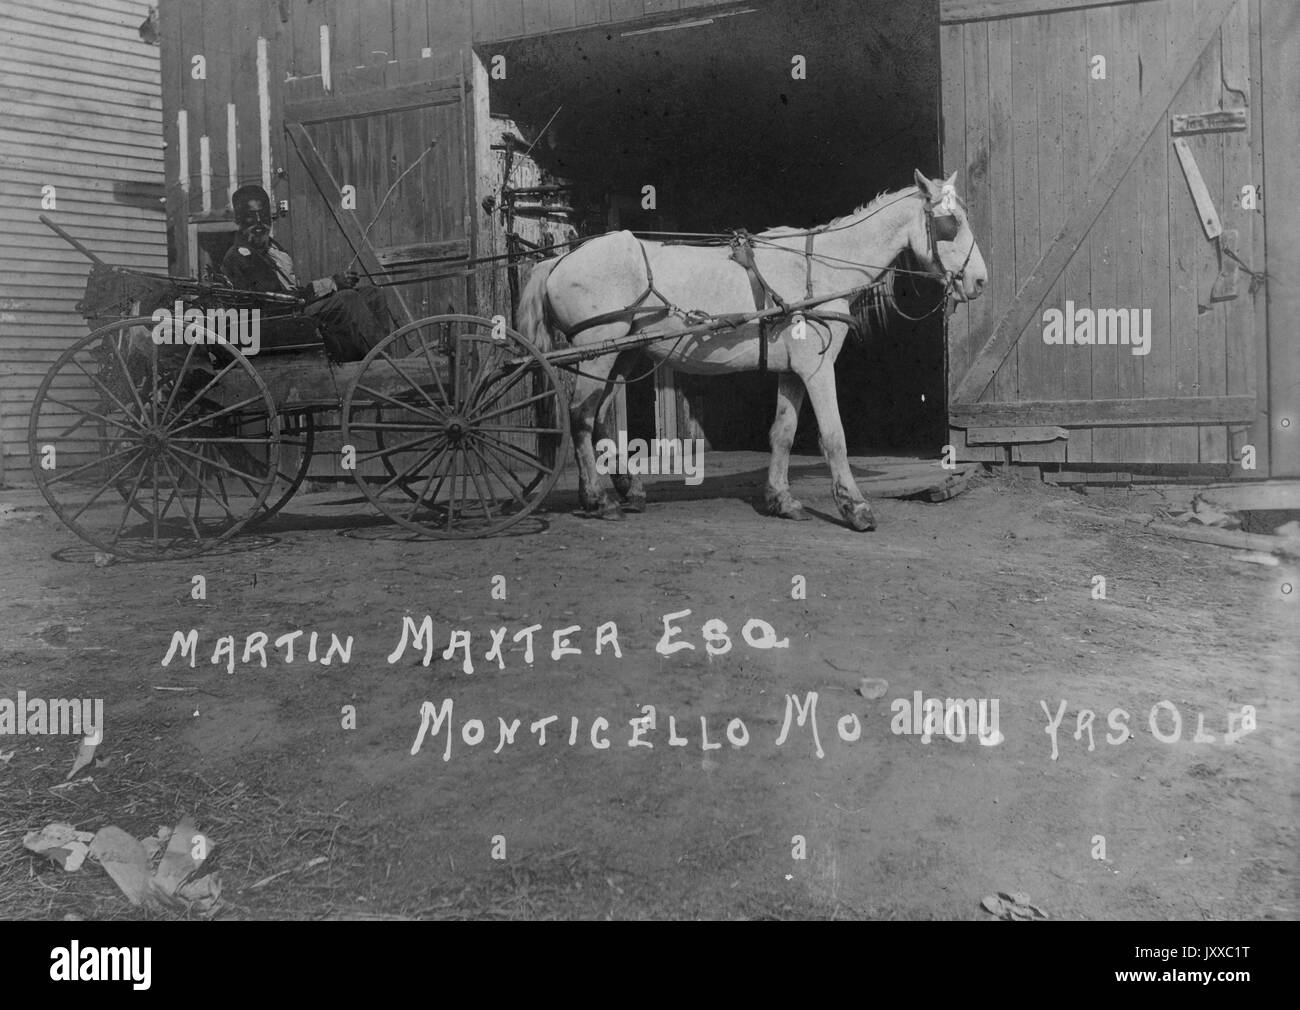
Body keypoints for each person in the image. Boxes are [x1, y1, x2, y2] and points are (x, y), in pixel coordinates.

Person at [220, 184, 389, 361]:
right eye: (250, 218)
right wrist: (332, 283)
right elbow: (278, 299)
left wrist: (332, 284)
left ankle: (377, 355)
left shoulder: (273, 249)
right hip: (278, 321)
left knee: (373, 294)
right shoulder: (239, 257)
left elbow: (292, 291)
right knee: (347, 298)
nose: (259, 224)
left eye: (263, 216)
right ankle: (384, 362)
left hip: (294, 310)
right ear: (238, 221)